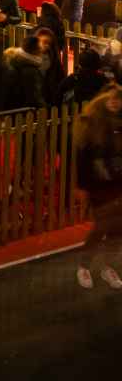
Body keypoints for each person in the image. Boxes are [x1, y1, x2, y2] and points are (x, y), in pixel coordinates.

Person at [76, 85, 122, 289]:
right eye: (111, 98)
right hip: (98, 184)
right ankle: (84, 266)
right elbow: (83, 158)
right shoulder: (92, 124)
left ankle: (107, 267)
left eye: (118, 99)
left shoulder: (119, 124)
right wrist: (82, 186)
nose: (115, 102)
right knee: (101, 226)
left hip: (117, 182)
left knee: (119, 229)